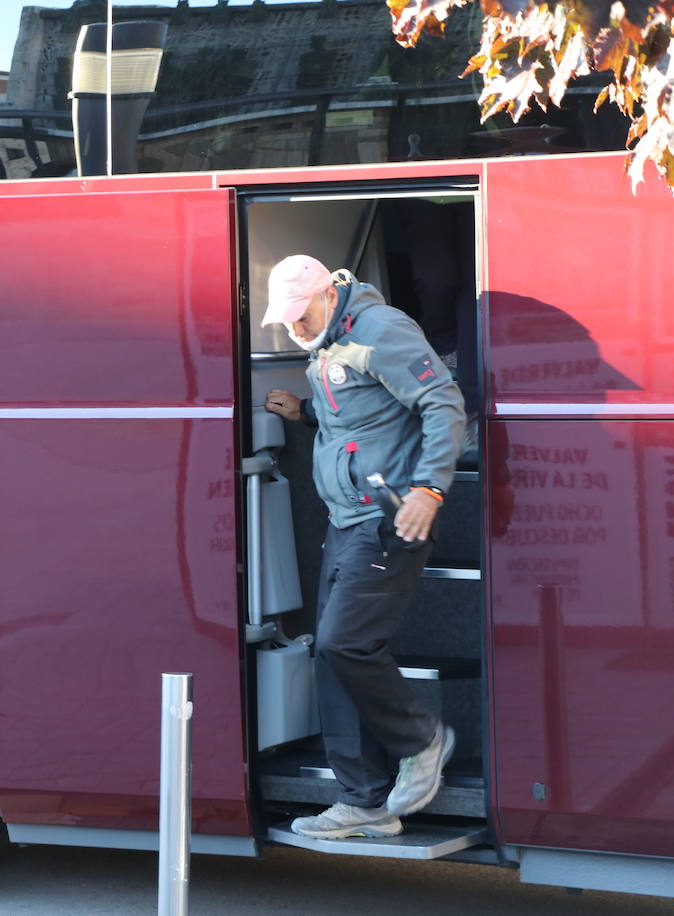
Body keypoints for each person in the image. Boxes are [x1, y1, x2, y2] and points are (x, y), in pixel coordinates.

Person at [261, 254, 465, 840]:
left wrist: (429, 488)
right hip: (347, 518)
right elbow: (355, 424)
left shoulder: (381, 332)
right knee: (332, 657)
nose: (294, 329)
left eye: (301, 317)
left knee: (344, 644)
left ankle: (423, 741)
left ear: (329, 295)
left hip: (390, 517)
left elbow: (443, 405)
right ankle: (363, 801)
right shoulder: (326, 341)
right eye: (289, 321)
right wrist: (303, 416)